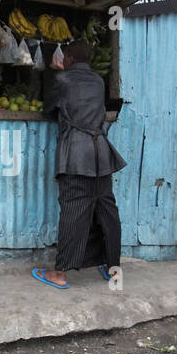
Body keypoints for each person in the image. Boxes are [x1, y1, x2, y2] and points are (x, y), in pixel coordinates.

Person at [31, 40, 126, 288]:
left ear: (69, 59)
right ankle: (113, 269)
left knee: (73, 211)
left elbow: (48, 108)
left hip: (76, 154)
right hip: (101, 154)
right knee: (107, 211)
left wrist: (53, 72)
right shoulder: (98, 81)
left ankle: (60, 274)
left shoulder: (62, 80)